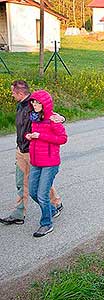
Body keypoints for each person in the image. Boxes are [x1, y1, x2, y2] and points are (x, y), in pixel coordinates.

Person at [0, 80, 64, 226]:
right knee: (22, 182)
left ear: (20, 93)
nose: (11, 95)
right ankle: (19, 213)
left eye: (13, 92)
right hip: (21, 149)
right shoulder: (21, 105)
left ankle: (54, 204)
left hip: (34, 151)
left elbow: (51, 116)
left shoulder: (34, 105)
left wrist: (62, 119)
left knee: (41, 185)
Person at [26, 90, 67, 237]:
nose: (34, 104)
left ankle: (46, 224)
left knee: (42, 194)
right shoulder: (35, 117)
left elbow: (63, 139)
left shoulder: (53, 119)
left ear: (45, 104)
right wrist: (29, 136)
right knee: (32, 192)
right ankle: (52, 209)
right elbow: (30, 132)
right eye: (33, 102)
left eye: (37, 102)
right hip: (36, 161)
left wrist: (40, 136)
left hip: (50, 162)